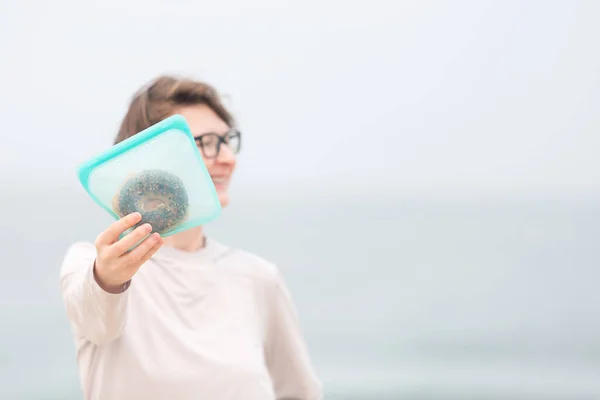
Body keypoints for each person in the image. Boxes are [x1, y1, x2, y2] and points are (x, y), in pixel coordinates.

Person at [59, 75, 323, 400]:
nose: (228, 158)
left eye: (228, 141)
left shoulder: (258, 278)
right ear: (148, 157)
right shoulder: (90, 267)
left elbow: (300, 392)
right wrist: (108, 278)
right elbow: (96, 317)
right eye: (206, 142)